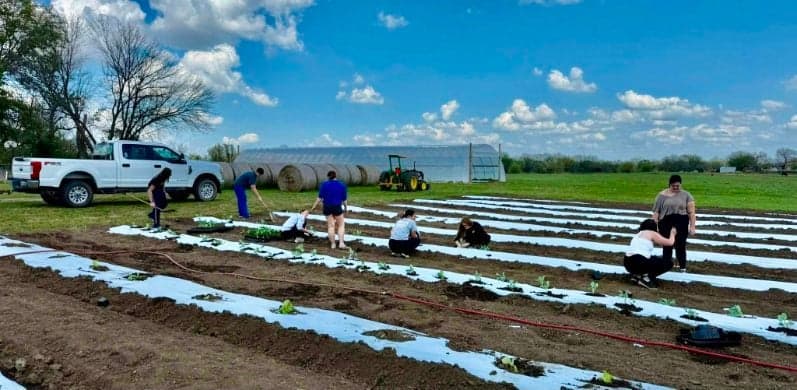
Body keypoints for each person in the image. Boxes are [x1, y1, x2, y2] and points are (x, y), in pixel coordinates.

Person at [652, 174, 697, 272]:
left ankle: (682, 267)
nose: (676, 187)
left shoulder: (686, 195)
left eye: (678, 186)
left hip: (681, 222)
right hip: (665, 222)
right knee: (667, 245)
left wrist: (692, 226)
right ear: (669, 184)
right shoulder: (661, 196)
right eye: (673, 186)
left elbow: (691, 212)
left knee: (681, 245)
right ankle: (665, 267)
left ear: (681, 184)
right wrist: (654, 226)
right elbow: (656, 212)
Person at [624, 219, 677, 289]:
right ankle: (646, 279)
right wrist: (673, 233)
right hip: (638, 262)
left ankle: (637, 276)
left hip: (627, 263)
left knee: (656, 258)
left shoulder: (638, 234)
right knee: (668, 263)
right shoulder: (651, 233)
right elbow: (670, 242)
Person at [311, 170, 348, 249]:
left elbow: (319, 198)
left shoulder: (324, 185)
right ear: (335, 176)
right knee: (341, 225)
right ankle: (341, 243)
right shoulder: (341, 185)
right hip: (337, 207)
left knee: (331, 226)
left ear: (328, 177)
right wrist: (345, 208)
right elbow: (344, 200)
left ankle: (333, 244)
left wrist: (314, 206)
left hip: (327, 207)